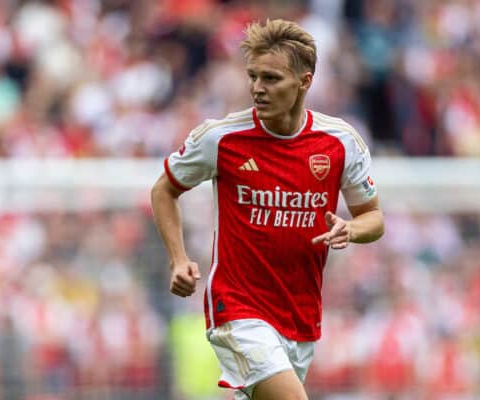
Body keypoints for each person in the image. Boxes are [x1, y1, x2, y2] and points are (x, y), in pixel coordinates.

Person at [151, 19, 384, 400]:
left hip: (300, 316)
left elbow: (373, 219)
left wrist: (351, 229)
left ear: (304, 82)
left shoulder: (339, 142)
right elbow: (164, 190)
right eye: (253, 76)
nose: (258, 88)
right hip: (238, 308)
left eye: (272, 79)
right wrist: (178, 259)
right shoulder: (222, 138)